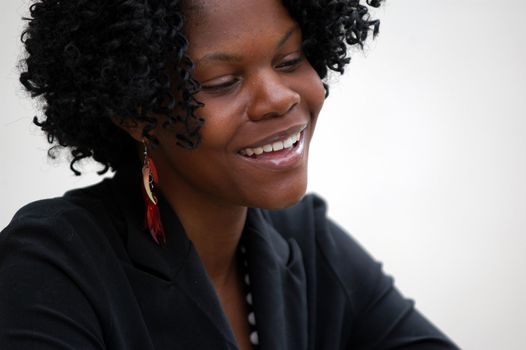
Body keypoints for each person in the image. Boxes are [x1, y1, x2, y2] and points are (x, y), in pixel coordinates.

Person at [0, 0, 459, 349]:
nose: (278, 99)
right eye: (222, 82)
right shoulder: (53, 264)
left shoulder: (307, 239)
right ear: (136, 112)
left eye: (289, 60)